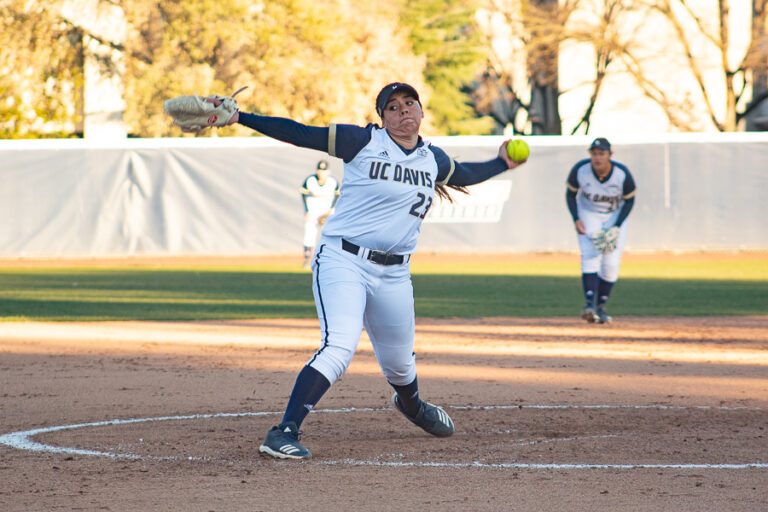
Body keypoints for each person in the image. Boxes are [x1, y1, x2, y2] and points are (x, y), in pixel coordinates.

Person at [219, 82, 527, 459]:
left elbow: (462, 174)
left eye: (410, 103)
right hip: (343, 259)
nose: (403, 110)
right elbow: (300, 133)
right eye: (393, 107)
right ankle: (283, 431)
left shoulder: (432, 158)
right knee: (339, 347)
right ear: (382, 118)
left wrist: (502, 163)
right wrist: (241, 117)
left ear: (421, 111)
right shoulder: (362, 142)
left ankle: (412, 406)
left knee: (400, 366)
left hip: (394, 273)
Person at [566, 137, 636, 324]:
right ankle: (589, 304)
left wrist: (617, 226)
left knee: (611, 264)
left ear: (609, 155)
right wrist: (576, 218)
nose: (597, 158)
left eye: (601, 153)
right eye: (594, 153)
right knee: (590, 255)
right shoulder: (581, 170)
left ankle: (600, 307)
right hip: (588, 214)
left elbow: (629, 200)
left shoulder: (621, 174)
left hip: (614, 216)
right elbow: (571, 194)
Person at [300, 160, 340, 268]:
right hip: (313, 209)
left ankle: (330, 259)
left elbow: (337, 196)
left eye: (324, 170)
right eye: (320, 170)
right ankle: (307, 260)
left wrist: (331, 211)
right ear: (317, 171)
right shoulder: (310, 180)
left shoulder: (333, 182)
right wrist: (307, 211)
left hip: (327, 209)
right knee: (309, 233)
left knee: (329, 234)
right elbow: (303, 193)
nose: (322, 173)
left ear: (328, 171)